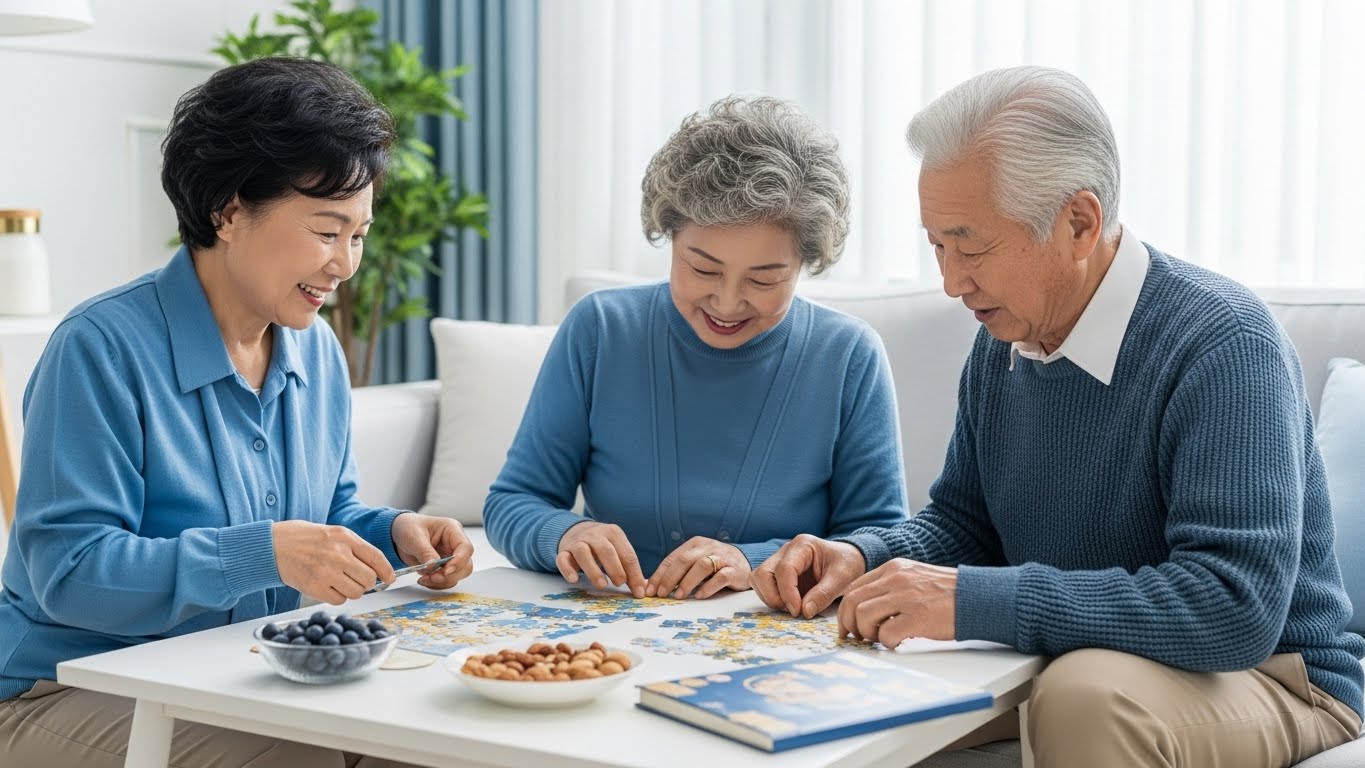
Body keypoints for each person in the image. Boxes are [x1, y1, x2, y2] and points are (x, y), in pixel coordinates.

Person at [750, 65, 1364, 767]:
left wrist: (973, 601)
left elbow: (1232, 606)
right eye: (936, 246)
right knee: (826, 691)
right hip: (1078, 650)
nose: (951, 282)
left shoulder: (1223, 344)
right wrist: (862, 558)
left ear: (1078, 222)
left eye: (970, 246)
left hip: (1273, 678)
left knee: (1084, 694)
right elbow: (963, 524)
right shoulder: (1002, 342)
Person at [0, 57, 474, 767]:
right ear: (227, 210)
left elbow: (325, 511)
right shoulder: (99, 349)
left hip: (229, 675)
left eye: (360, 234)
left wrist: (393, 533)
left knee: (432, 745)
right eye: (325, 230)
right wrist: (262, 552)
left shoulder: (315, 352)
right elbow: (68, 572)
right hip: (63, 685)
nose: (346, 264)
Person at [484, 96, 908, 602]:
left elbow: (876, 541)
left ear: (804, 263)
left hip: (769, 642)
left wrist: (751, 562)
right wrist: (565, 534)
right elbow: (513, 501)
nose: (727, 302)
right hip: (609, 632)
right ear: (668, 234)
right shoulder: (600, 328)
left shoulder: (848, 355)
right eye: (703, 268)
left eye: (765, 278)